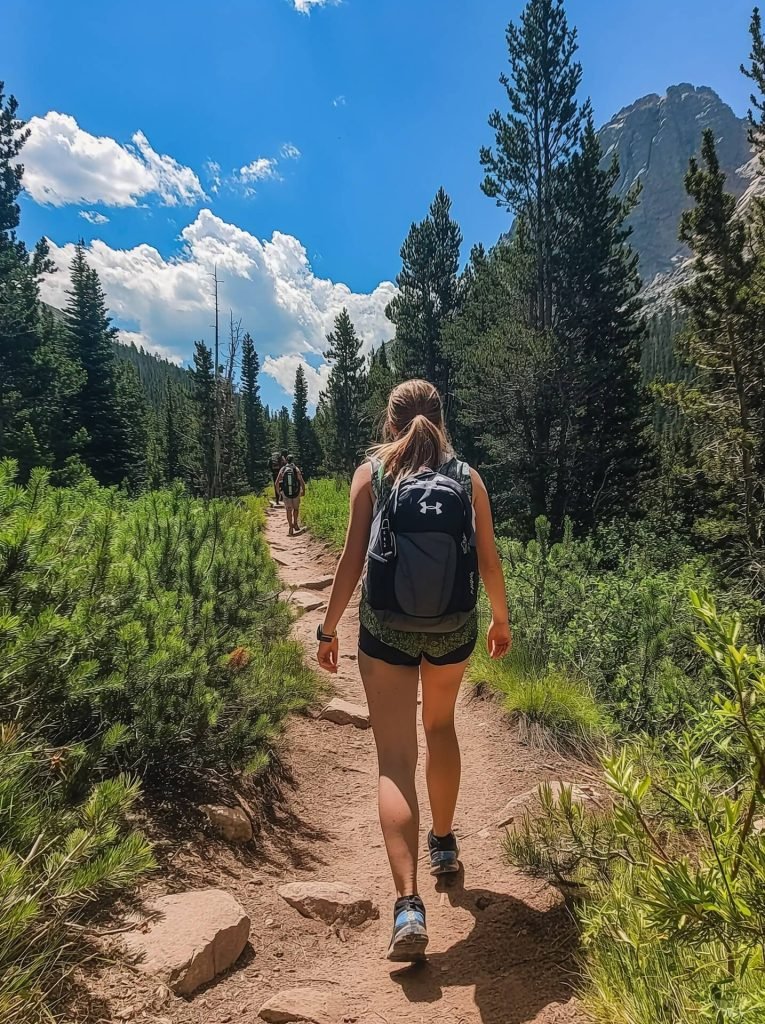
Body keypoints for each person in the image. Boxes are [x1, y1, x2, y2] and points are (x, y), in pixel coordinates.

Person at [315, 380, 511, 962]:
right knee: (441, 727)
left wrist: (328, 629)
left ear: (390, 421)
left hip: (386, 629)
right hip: (453, 627)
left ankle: (407, 907)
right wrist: (501, 621)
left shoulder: (372, 475)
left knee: (395, 759)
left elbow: (352, 560)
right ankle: (444, 844)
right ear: (441, 421)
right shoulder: (467, 478)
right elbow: (489, 559)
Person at [276, 454, 306, 536]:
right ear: (293, 460)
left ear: (286, 460)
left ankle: (290, 527)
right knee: (296, 509)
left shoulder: (283, 469)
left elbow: (277, 483)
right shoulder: (296, 469)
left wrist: (279, 494)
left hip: (286, 493)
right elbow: (301, 481)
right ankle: (295, 523)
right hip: (296, 492)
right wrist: (303, 491)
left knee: (288, 510)